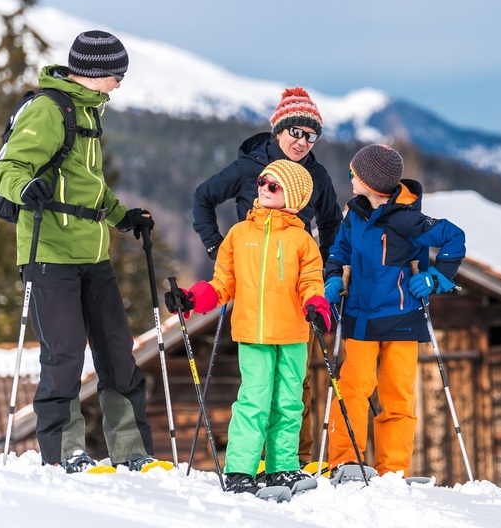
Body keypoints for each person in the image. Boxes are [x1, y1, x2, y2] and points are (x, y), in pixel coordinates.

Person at [0, 30, 159, 473]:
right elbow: (8, 168)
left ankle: (132, 451)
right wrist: (26, 187)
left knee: (117, 352)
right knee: (64, 354)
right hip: (49, 252)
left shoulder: (88, 111)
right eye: (116, 74)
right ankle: (65, 451)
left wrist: (123, 217)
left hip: (92, 254)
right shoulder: (48, 109)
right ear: (94, 71)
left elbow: (90, 186)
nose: (119, 83)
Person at [191, 86, 342, 466]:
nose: (302, 142)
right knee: (257, 387)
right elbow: (203, 197)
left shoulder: (316, 175)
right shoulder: (250, 168)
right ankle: (249, 462)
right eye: (296, 132)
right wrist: (216, 247)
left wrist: (322, 272)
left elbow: (331, 223)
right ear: (279, 130)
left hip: (294, 294)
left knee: (295, 385)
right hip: (253, 282)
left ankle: (290, 462)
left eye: (311, 136)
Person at [166, 160, 333, 494]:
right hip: (253, 335)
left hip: (292, 335)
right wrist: (191, 299)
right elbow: (222, 284)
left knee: (288, 403)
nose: (263, 188)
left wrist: (317, 305)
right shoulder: (239, 235)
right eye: (261, 181)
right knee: (254, 401)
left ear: (293, 196)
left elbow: (311, 283)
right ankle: (241, 470)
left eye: (273, 185)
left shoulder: (302, 241)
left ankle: (282, 467)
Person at [323, 144, 465, 478]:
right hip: (360, 318)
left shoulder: (408, 219)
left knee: (398, 397)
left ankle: (392, 470)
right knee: (352, 390)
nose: (350, 177)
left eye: (353, 173)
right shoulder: (354, 215)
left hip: (402, 319)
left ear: (370, 182)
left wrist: (436, 278)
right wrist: (333, 278)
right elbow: (338, 252)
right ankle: (345, 462)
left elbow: (454, 237)